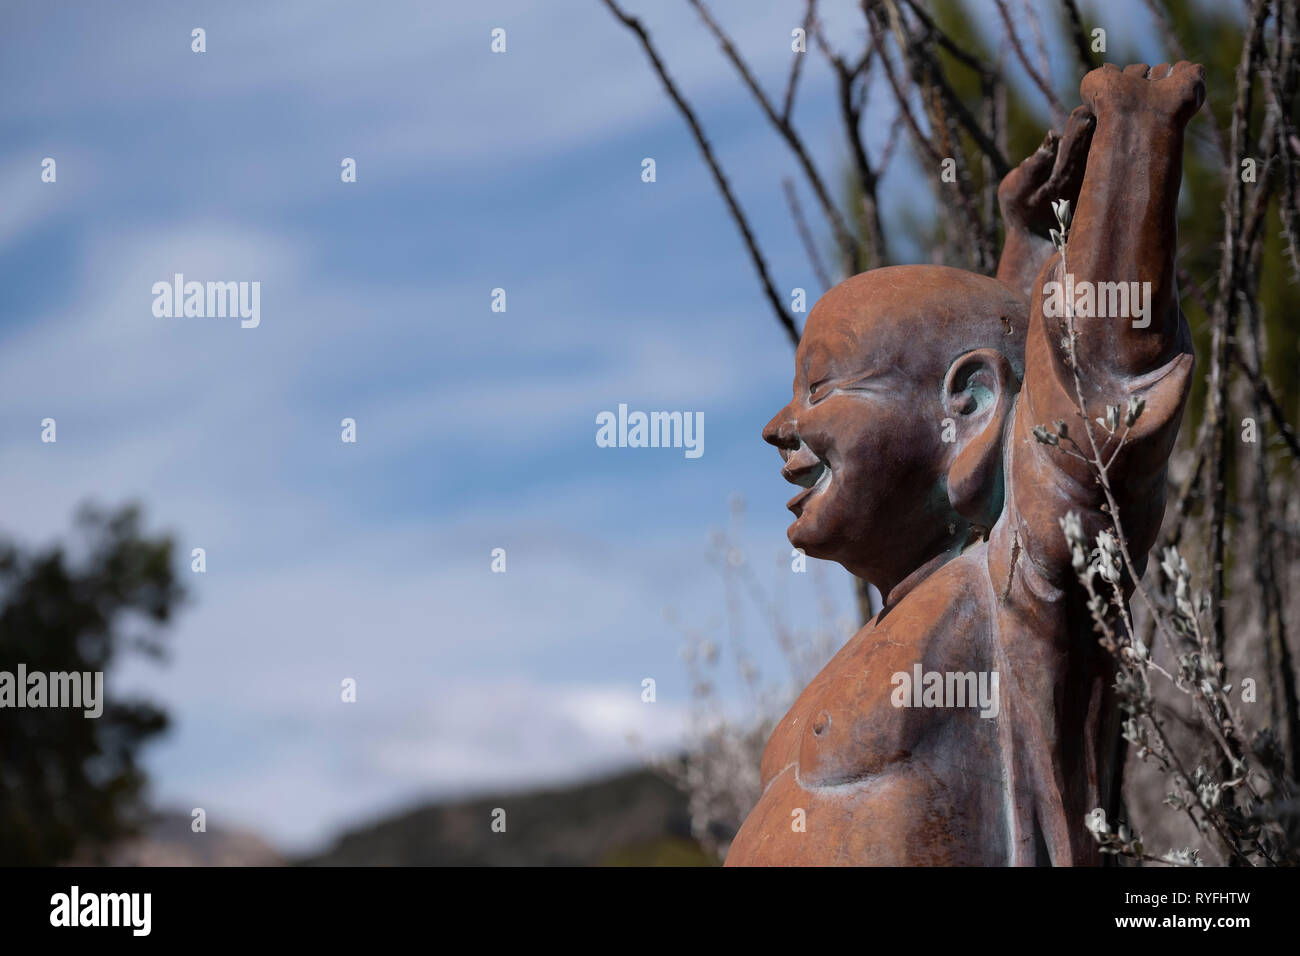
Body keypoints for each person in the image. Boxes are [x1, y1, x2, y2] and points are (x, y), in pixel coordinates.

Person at [727, 62, 1204, 866]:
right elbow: (1006, 383)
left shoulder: (1014, 596)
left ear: (971, 409)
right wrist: (1030, 248)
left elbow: (1090, 407)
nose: (781, 427)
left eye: (822, 387)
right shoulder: (890, 631)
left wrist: (1132, 141)